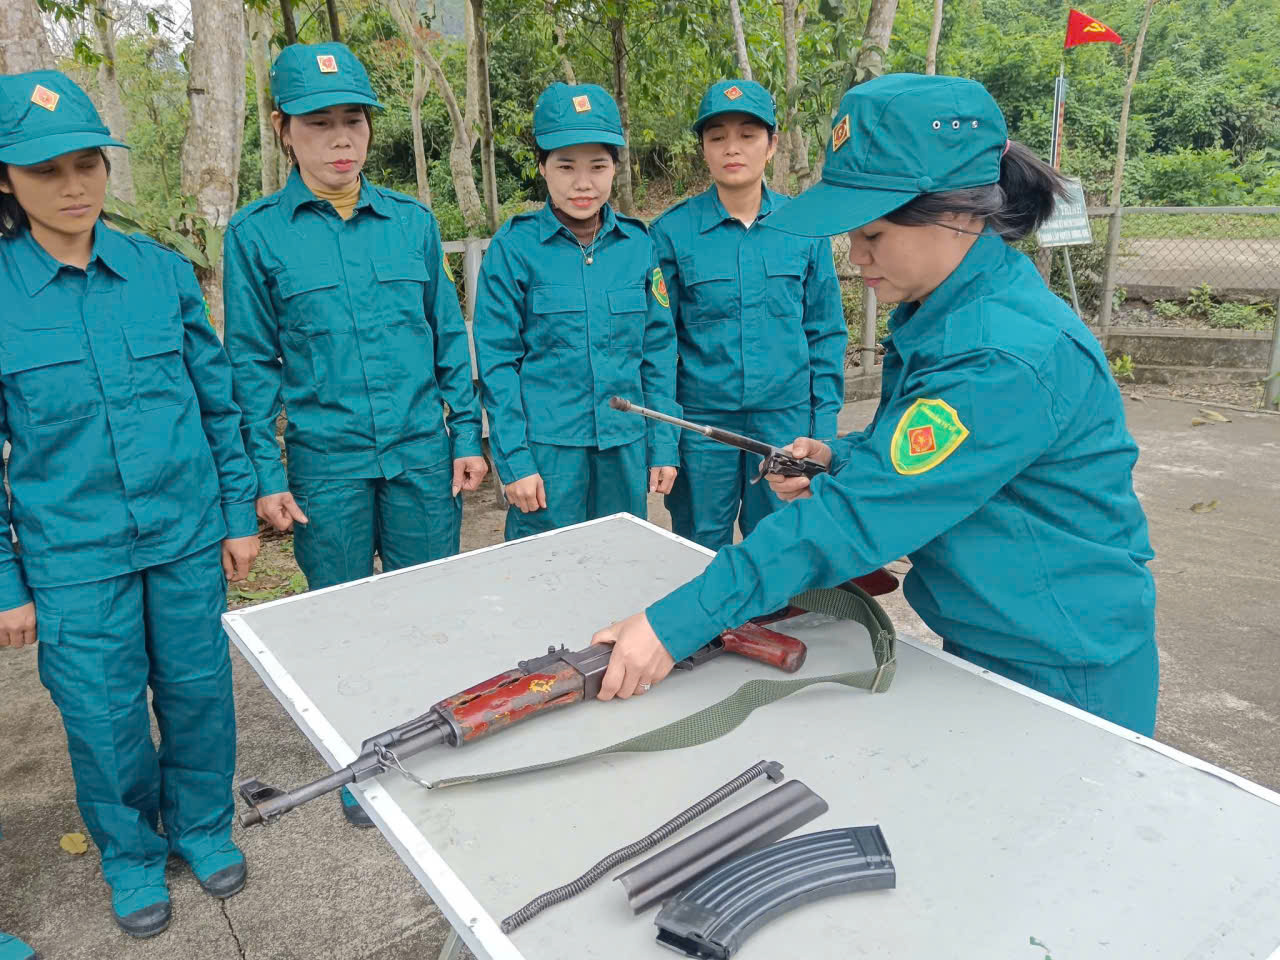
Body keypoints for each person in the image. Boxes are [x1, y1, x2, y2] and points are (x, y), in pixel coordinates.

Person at [589, 74, 1159, 737]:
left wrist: (673, 624)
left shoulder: (999, 355)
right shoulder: (949, 311)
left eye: (875, 235)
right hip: (999, 634)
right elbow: (927, 450)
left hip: (1063, 665)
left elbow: (855, 519)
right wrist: (840, 456)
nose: (856, 256)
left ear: (959, 216)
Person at [0, 71, 260, 937]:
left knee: (199, 692)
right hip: (73, 556)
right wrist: (7, 582)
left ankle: (202, 827)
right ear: (6, 179)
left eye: (88, 164)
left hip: (183, 534)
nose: (73, 187)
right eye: (46, 171)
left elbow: (216, 404)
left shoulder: (159, 273)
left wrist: (236, 514)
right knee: (103, 718)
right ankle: (132, 854)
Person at [222, 43, 487, 828]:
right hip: (326, 462)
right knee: (339, 620)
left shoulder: (410, 223)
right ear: (284, 130)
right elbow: (250, 363)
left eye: (354, 121)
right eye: (319, 124)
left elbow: (448, 336)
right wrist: (266, 473)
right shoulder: (257, 235)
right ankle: (356, 765)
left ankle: (427, 746)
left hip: (420, 452)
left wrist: (466, 436)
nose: (340, 139)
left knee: (427, 607)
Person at [472, 83, 679, 541]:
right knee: (544, 570)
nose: (583, 183)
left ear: (615, 168)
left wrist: (664, 444)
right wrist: (515, 461)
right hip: (548, 455)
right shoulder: (514, 248)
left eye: (597, 166)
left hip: (623, 446)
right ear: (542, 167)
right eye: (566, 166)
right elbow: (498, 363)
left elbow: (658, 353)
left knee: (621, 562)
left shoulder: (637, 245)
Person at [649, 79, 846, 550]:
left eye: (747, 135)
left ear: (772, 144)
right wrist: (664, 439)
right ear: (703, 148)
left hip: (785, 422)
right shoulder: (672, 233)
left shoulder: (804, 227)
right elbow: (657, 345)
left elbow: (825, 333)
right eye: (717, 137)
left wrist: (823, 433)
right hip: (703, 425)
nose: (731, 148)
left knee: (781, 544)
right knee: (699, 545)